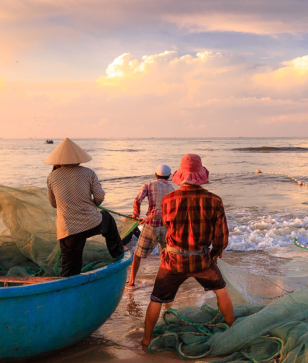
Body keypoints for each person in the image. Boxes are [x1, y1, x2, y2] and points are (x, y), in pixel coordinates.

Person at [141, 154, 235, 345]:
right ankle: (233, 332)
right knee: (221, 291)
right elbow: (221, 237)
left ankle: (145, 339)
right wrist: (215, 254)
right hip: (202, 260)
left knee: (157, 299)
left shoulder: (168, 199)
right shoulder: (215, 200)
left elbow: (168, 225)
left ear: (180, 175)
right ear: (201, 174)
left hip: (173, 261)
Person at [45, 138, 124, 277]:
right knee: (107, 218)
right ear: (78, 158)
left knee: (69, 270)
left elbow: (53, 204)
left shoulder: (52, 177)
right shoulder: (88, 173)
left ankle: (67, 292)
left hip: (68, 230)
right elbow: (99, 197)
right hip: (91, 223)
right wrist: (91, 205)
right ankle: (117, 252)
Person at [128, 164, 174, 286]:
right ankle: (166, 280)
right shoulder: (172, 189)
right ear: (169, 176)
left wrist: (136, 215)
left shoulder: (148, 185)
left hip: (151, 224)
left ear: (155, 175)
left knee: (138, 254)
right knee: (165, 255)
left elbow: (137, 200)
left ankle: (132, 281)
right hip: (166, 225)